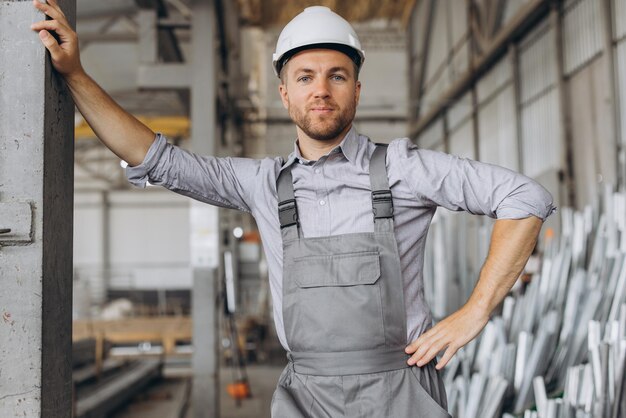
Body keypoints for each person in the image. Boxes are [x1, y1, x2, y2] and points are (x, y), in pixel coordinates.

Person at [31, 2, 555, 417]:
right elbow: (156, 159)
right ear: (284, 93)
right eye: (305, 77)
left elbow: (525, 199)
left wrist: (474, 313)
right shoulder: (262, 183)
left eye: (337, 75)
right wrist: (76, 73)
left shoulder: (403, 169)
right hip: (308, 397)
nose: (321, 90)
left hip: (401, 393)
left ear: (357, 88)